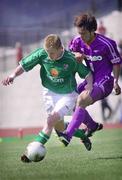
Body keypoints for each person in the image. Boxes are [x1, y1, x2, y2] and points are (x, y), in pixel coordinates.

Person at [2, 34, 94, 162]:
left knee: (50, 121)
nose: (49, 56)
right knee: (59, 129)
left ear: (61, 48)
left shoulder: (71, 59)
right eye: (47, 53)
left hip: (68, 95)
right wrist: (12, 76)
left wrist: (89, 86)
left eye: (52, 53)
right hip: (49, 94)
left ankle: (30, 154)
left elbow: (88, 73)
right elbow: (24, 66)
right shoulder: (42, 54)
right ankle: (83, 135)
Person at [59, 13, 122, 146]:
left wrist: (116, 81)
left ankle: (67, 135)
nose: (81, 36)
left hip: (104, 82)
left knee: (81, 100)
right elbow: (69, 55)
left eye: (84, 33)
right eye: (79, 33)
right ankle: (92, 126)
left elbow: (116, 63)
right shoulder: (77, 41)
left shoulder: (107, 44)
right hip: (90, 80)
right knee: (69, 100)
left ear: (93, 30)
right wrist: (75, 55)